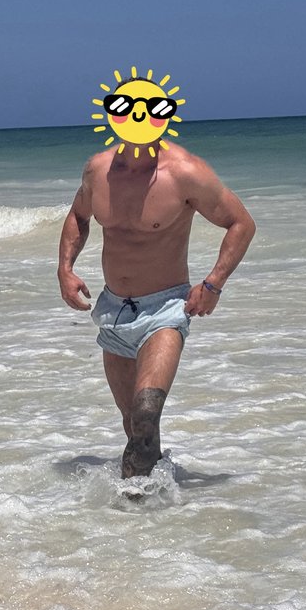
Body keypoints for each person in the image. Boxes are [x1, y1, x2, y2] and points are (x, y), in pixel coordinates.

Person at [57, 112, 255, 480]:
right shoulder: (98, 170)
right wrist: (65, 269)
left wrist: (213, 284)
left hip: (165, 309)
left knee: (145, 413)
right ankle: (149, 502)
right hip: (114, 311)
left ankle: (136, 497)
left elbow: (241, 223)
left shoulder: (185, 171)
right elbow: (77, 216)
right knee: (134, 424)